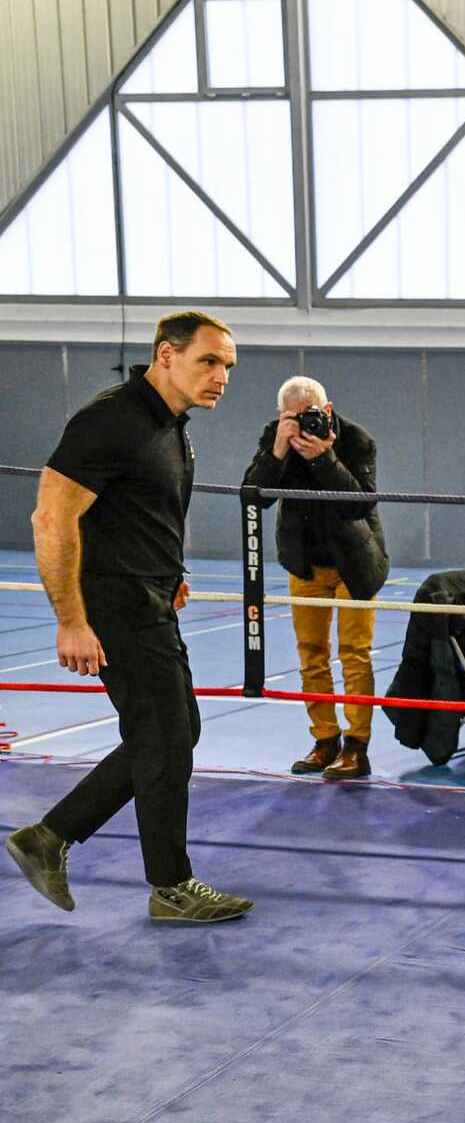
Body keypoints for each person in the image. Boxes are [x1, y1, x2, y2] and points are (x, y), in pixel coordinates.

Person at [5, 312, 253, 923]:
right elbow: (51, 518)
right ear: (166, 355)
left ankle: (48, 837)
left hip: (150, 599)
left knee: (173, 734)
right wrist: (71, 621)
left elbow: (135, 512)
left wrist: (169, 573)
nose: (221, 376)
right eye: (208, 361)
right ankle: (171, 886)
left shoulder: (169, 426)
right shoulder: (113, 419)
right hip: (115, 606)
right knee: (165, 738)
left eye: (227, 366)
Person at [244, 376, 388, 780]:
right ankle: (325, 740)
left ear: (327, 410)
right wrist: (277, 450)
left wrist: (325, 458)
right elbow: (253, 495)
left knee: (355, 653)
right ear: (281, 416)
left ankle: (356, 747)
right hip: (305, 562)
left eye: (309, 415)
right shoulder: (277, 437)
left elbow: (360, 504)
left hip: (353, 563)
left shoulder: (357, 441)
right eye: (291, 418)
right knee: (311, 653)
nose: (302, 425)